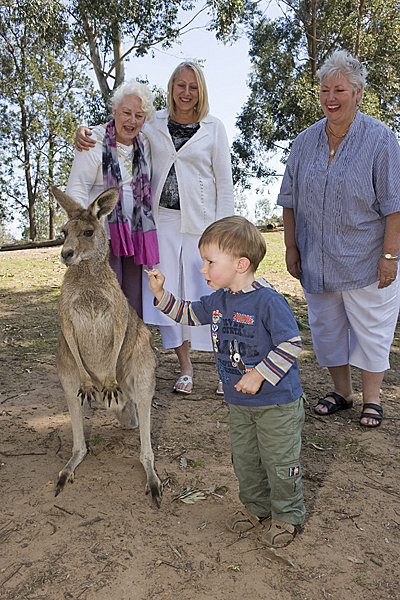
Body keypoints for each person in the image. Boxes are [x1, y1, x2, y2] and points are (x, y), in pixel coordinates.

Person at [75, 62, 234, 395]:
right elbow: (118, 130)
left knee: (209, 293)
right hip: (159, 225)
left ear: (200, 90)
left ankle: (224, 370)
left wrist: (225, 230)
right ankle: (185, 368)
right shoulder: (153, 122)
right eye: (180, 85)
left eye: (192, 86)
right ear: (171, 87)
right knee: (168, 294)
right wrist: (82, 131)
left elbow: (225, 181)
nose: (186, 92)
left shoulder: (214, 127)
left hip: (203, 224)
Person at [147, 216, 306, 548]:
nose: (203, 270)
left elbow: (291, 344)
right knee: (245, 461)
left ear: (240, 264)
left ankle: (287, 516)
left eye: (209, 262)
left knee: (280, 462)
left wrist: (259, 372)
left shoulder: (268, 301)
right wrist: (161, 294)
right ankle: (256, 509)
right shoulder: (218, 301)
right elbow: (188, 313)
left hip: (278, 405)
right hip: (240, 404)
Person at [277, 49, 400, 428]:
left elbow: (395, 206)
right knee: (327, 331)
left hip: (366, 260)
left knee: (371, 331)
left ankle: (373, 399)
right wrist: (292, 247)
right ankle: (343, 393)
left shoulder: (381, 140)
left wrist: (390, 257)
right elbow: (290, 201)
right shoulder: (303, 143)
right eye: (325, 89)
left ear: (358, 93)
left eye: (340, 90)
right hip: (317, 260)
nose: (331, 98)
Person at [66, 80, 159, 319]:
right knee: (107, 296)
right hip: (103, 236)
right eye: (126, 113)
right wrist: (79, 232)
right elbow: (77, 186)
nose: (132, 121)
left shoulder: (145, 142)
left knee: (133, 298)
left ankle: (129, 351)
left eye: (139, 115)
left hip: (136, 235)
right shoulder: (93, 140)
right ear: (114, 111)